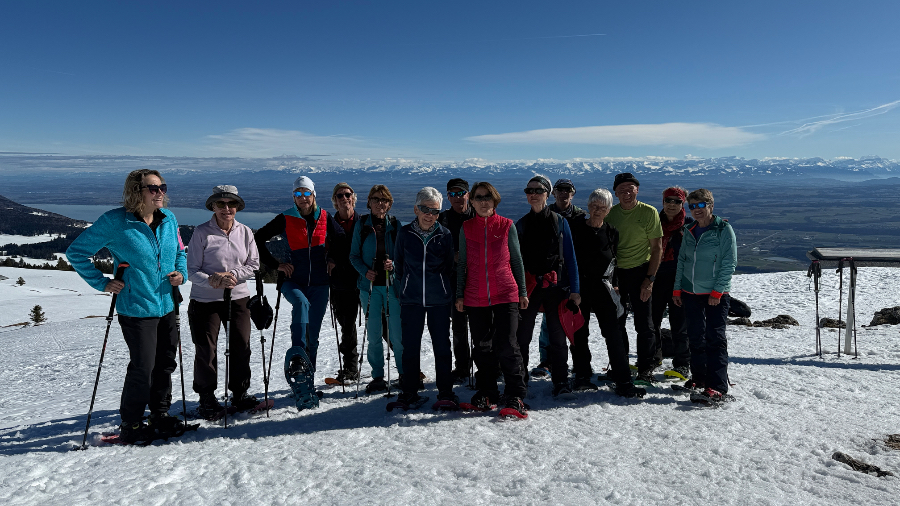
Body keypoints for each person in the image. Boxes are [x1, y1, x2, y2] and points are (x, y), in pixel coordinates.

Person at [66, 169, 188, 443]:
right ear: (136, 192)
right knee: (143, 367)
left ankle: (159, 414)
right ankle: (131, 423)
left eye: (162, 187)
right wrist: (102, 282)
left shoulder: (169, 219)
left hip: (168, 304)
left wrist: (182, 274)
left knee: (165, 363)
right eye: (153, 188)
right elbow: (76, 252)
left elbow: (180, 252)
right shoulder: (115, 221)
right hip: (136, 308)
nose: (160, 193)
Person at [254, 176, 345, 376]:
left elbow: (340, 238)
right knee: (301, 303)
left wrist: (332, 259)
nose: (303, 197)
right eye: (298, 193)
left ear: (313, 195)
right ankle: (297, 357)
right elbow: (258, 238)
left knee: (313, 334)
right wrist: (276, 265)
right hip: (292, 280)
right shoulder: (286, 217)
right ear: (294, 197)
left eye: (306, 193)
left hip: (320, 283)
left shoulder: (324, 216)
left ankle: (307, 380)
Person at [186, 185, 261, 417]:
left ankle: (240, 393)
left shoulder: (245, 232)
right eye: (221, 204)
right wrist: (212, 280)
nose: (226, 209)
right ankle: (206, 397)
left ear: (237, 207)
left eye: (231, 204)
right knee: (206, 349)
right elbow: (191, 270)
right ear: (213, 206)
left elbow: (254, 265)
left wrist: (233, 275)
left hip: (238, 298)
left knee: (241, 345)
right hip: (205, 300)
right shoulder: (202, 232)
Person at [456, 182, 529, 415]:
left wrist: (523, 291)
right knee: (482, 348)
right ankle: (488, 392)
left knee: (507, 345)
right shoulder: (466, 228)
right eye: (478, 197)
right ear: (472, 201)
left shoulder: (507, 225)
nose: (483, 201)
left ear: (495, 200)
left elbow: (516, 260)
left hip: (506, 293)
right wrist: (459, 294)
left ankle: (515, 394)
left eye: (487, 197)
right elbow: (462, 263)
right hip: (475, 296)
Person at [569, 189, 645, 398]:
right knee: (579, 333)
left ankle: (623, 380)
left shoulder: (611, 232)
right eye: (594, 206)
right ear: (588, 206)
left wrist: (616, 284)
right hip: (580, 288)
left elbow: (614, 261)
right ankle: (582, 375)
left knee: (613, 333)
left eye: (602, 207)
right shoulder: (575, 229)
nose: (597, 210)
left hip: (604, 288)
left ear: (609, 210)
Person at [515, 175, 580, 398]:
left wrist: (575, 290)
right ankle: (519, 383)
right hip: (529, 288)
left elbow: (570, 258)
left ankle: (561, 381)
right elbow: (515, 261)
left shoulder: (560, 223)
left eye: (538, 190)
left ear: (547, 194)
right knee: (522, 337)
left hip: (556, 287)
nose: (533, 194)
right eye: (529, 190)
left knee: (557, 338)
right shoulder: (521, 225)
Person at [393, 187, 456, 406]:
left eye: (435, 211)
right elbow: (399, 265)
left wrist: (442, 288)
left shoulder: (444, 235)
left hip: (439, 300)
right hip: (411, 299)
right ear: (416, 209)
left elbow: (449, 267)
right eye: (425, 209)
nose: (430, 215)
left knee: (442, 347)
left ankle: (445, 392)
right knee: (410, 347)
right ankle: (410, 391)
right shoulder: (405, 233)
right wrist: (404, 287)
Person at [673, 189, 737, 403]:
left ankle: (718, 386)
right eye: (692, 206)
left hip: (715, 294)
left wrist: (717, 291)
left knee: (715, 338)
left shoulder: (723, 229)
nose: (696, 210)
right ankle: (699, 378)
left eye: (701, 205)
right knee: (695, 336)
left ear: (711, 205)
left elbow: (729, 262)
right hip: (690, 292)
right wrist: (677, 289)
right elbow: (682, 261)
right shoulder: (689, 230)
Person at [605, 172, 663, 383]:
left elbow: (657, 248)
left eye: (630, 189)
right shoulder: (611, 214)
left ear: (637, 190)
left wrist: (650, 279)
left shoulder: (649, 212)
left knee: (644, 324)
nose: (626, 193)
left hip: (641, 272)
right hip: (618, 274)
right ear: (615, 193)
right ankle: (621, 365)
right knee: (617, 322)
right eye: (622, 190)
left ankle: (645, 368)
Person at [349, 185, 404, 394]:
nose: (380, 203)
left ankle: (404, 374)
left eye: (384, 200)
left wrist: (394, 265)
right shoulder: (362, 225)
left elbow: (403, 256)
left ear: (389, 204)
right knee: (373, 334)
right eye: (376, 199)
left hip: (392, 286)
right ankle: (378, 376)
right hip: (369, 287)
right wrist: (365, 272)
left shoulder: (396, 225)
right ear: (369, 202)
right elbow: (353, 256)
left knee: (397, 334)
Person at [533, 178, 588, 376]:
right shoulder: (546, 215)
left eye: (568, 190)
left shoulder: (581, 217)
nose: (564, 193)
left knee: (575, 321)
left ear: (573, 193)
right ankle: (547, 361)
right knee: (549, 322)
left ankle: (579, 364)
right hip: (552, 277)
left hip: (574, 274)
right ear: (553, 193)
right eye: (560, 190)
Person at [651, 187, 693, 379]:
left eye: (677, 201)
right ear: (663, 202)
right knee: (652, 321)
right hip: (656, 278)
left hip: (680, 281)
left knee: (679, 323)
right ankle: (653, 358)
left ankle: (682, 364)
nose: (672, 204)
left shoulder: (689, 225)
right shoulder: (654, 222)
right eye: (669, 200)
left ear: (683, 204)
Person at [438, 178, 475, 383]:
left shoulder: (478, 215)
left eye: (461, 193)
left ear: (468, 195)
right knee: (459, 326)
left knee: (483, 325)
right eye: (453, 194)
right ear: (448, 197)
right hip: (452, 280)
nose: (457, 198)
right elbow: (435, 249)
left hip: (478, 278)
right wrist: (451, 256)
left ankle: (487, 365)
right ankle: (462, 367)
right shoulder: (442, 219)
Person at [329, 183, 361, 383]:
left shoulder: (363, 223)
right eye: (339, 195)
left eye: (347, 194)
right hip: (340, 283)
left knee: (382, 324)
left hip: (363, 279)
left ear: (353, 198)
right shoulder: (328, 225)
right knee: (347, 327)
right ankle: (350, 367)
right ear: (335, 200)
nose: (344, 198)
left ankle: (406, 363)